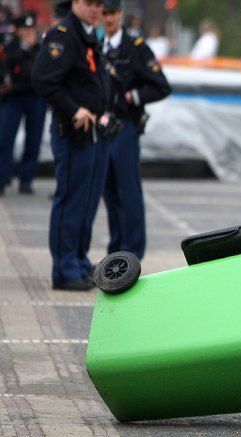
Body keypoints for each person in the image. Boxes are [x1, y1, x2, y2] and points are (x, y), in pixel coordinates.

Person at [32, 0, 110, 291]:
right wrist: (74, 108)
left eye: (99, 4)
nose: (95, 9)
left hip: (92, 131)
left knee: (87, 202)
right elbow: (43, 80)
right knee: (71, 201)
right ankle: (64, 269)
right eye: (89, 3)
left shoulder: (88, 34)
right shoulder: (64, 34)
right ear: (75, 2)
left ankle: (78, 259)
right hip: (72, 131)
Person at [101, 0, 171, 260]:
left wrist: (133, 97)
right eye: (105, 13)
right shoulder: (96, 46)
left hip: (125, 125)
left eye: (113, 13)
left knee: (127, 189)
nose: (109, 18)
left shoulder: (136, 49)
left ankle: (132, 250)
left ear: (120, 15)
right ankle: (116, 248)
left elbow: (161, 86)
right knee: (108, 189)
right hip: (102, 127)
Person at [0, 13, 47, 196]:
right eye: (25, 29)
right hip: (14, 96)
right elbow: (7, 64)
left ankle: (26, 180)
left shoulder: (41, 47)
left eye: (31, 29)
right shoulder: (10, 45)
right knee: (5, 137)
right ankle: (3, 178)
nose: (28, 33)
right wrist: (25, 48)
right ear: (18, 30)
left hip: (35, 97)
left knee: (33, 139)